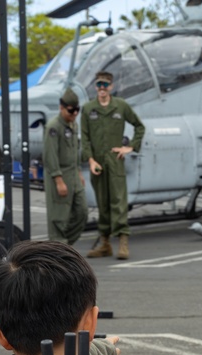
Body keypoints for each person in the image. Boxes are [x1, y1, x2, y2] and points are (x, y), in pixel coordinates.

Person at [81, 71, 145, 261]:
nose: (102, 89)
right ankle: (105, 244)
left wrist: (130, 147)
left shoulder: (121, 106)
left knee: (118, 201)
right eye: (99, 85)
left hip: (115, 161)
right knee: (103, 203)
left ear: (111, 87)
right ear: (95, 87)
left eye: (105, 85)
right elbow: (84, 138)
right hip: (98, 162)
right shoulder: (88, 109)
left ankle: (123, 242)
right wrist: (90, 160)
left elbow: (139, 126)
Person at [42, 89, 87, 246]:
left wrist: (79, 172)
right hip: (59, 175)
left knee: (82, 212)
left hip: (73, 174)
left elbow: (75, 150)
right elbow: (50, 155)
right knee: (58, 217)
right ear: (61, 107)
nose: (74, 114)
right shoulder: (53, 127)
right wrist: (58, 179)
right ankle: (58, 250)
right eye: (71, 110)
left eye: (77, 110)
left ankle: (64, 245)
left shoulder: (73, 125)